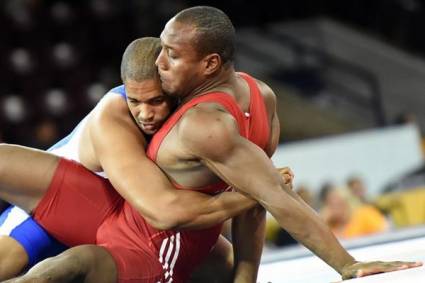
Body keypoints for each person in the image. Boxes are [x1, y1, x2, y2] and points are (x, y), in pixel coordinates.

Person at [2, 6, 421, 283]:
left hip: (140, 222)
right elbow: (172, 209)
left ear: (209, 65)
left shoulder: (229, 107)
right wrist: (247, 197)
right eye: (138, 100)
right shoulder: (123, 112)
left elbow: (264, 195)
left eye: (170, 56)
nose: (160, 67)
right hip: (75, 204)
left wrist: (253, 268)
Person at [0, 37, 282, 282]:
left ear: (175, 88)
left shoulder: (195, 112)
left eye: (156, 101)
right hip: (55, 214)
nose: (145, 114)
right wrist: (258, 193)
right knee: (13, 262)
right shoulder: (114, 115)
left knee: (227, 268)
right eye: (137, 101)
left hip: (123, 220)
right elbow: (163, 210)